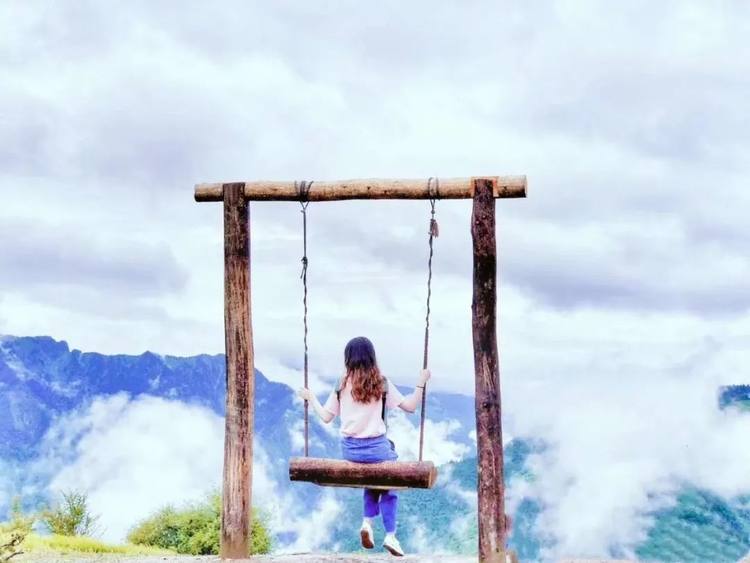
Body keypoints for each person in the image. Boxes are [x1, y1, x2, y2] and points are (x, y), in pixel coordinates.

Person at [297, 336, 431, 557]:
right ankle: (390, 535)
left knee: (373, 476)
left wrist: (311, 397)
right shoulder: (381, 383)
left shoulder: (341, 384)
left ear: (348, 358)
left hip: (350, 450)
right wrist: (421, 382)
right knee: (388, 482)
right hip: (376, 449)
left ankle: (367, 522)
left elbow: (327, 417)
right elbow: (410, 406)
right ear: (371, 357)